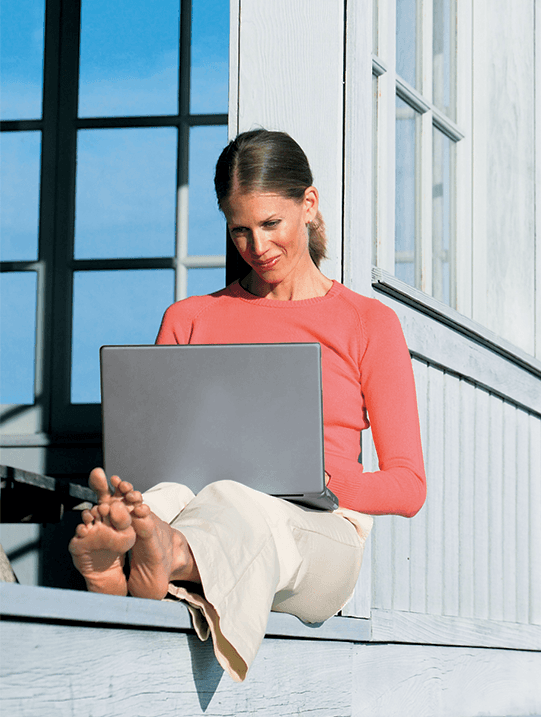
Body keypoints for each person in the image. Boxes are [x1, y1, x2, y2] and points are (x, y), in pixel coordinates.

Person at [68, 129, 427, 682]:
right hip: (199, 506)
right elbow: (162, 456)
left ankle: (161, 558)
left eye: (269, 225)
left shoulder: (366, 323)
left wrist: (324, 478)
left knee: (241, 502)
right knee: (164, 493)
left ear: (308, 205)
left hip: (322, 530)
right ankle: (127, 551)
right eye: (239, 230)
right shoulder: (189, 319)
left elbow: (408, 486)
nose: (256, 247)